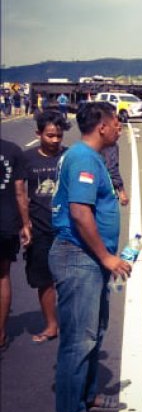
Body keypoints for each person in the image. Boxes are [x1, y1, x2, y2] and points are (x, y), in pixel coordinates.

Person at [49, 101, 132, 412]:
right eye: (116, 123)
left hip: (91, 259)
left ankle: (88, 395)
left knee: (94, 332)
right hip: (78, 257)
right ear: (102, 126)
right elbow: (81, 213)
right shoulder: (84, 158)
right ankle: (70, 410)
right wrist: (107, 257)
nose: (119, 128)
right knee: (79, 337)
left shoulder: (92, 157)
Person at [18, 110, 71, 343]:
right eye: (50, 136)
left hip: (69, 228)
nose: (55, 141)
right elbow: (20, 192)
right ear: (38, 133)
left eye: (59, 136)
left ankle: (73, 324)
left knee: (71, 279)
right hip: (40, 228)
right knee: (44, 279)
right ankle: (51, 325)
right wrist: (25, 224)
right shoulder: (27, 159)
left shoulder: (70, 156)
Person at [0, 139, 31, 352]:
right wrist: (26, 223)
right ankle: (0, 332)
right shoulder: (12, 150)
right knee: (3, 275)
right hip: (6, 222)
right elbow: (20, 192)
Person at [102, 119, 129, 206]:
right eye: (117, 130)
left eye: (121, 130)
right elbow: (112, 168)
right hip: (106, 191)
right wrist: (121, 191)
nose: (120, 134)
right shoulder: (111, 145)